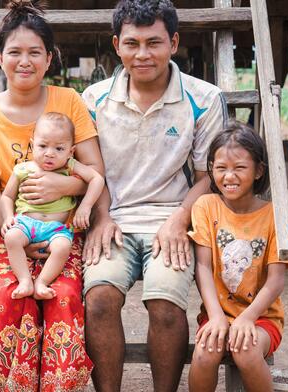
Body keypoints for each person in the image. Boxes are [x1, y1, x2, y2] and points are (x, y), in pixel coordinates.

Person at [81, 0, 228, 390]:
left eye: (154, 42)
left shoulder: (204, 98)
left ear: (174, 43)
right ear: (116, 45)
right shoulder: (94, 100)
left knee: (165, 306)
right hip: (113, 219)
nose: (142, 54)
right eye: (132, 43)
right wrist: (101, 216)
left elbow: (208, 176)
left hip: (174, 219)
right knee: (98, 299)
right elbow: (92, 171)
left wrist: (180, 219)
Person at [0, 1, 105, 390]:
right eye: (14, 52)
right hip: (10, 232)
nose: (24, 61)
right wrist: (14, 231)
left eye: (34, 52)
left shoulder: (69, 102)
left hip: (63, 232)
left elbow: (96, 170)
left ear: (49, 58)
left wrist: (66, 186)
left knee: (62, 296)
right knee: (10, 297)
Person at [187, 121, 288, 391]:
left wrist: (248, 318)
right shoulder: (205, 206)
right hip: (217, 312)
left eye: (239, 168)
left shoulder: (276, 216)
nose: (229, 176)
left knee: (246, 350)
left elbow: (275, 281)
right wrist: (215, 316)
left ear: (259, 170)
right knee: (205, 353)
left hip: (261, 316)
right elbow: (202, 267)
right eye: (220, 168)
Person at [1, 112, 105, 300]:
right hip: (25, 223)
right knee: (12, 238)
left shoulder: (69, 166)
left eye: (59, 148)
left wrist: (85, 206)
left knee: (63, 247)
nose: (49, 153)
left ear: (70, 151)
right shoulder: (23, 169)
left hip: (56, 229)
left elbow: (97, 179)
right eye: (42, 146)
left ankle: (41, 282)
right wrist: (8, 216)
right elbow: (7, 196)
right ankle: (24, 280)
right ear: (32, 145)